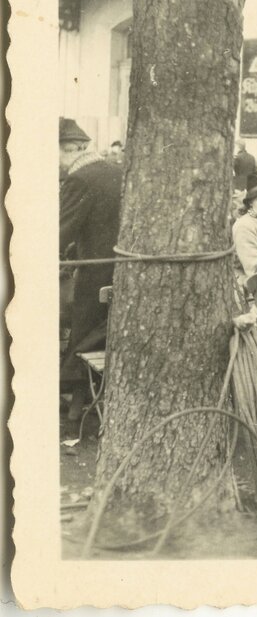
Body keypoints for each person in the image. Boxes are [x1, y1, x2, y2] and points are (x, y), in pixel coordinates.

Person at [59, 117, 122, 421]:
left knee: (76, 333)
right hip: (117, 271)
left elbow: (61, 231)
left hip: (93, 276)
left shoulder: (79, 179)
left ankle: (72, 411)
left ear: (71, 150)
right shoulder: (115, 172)